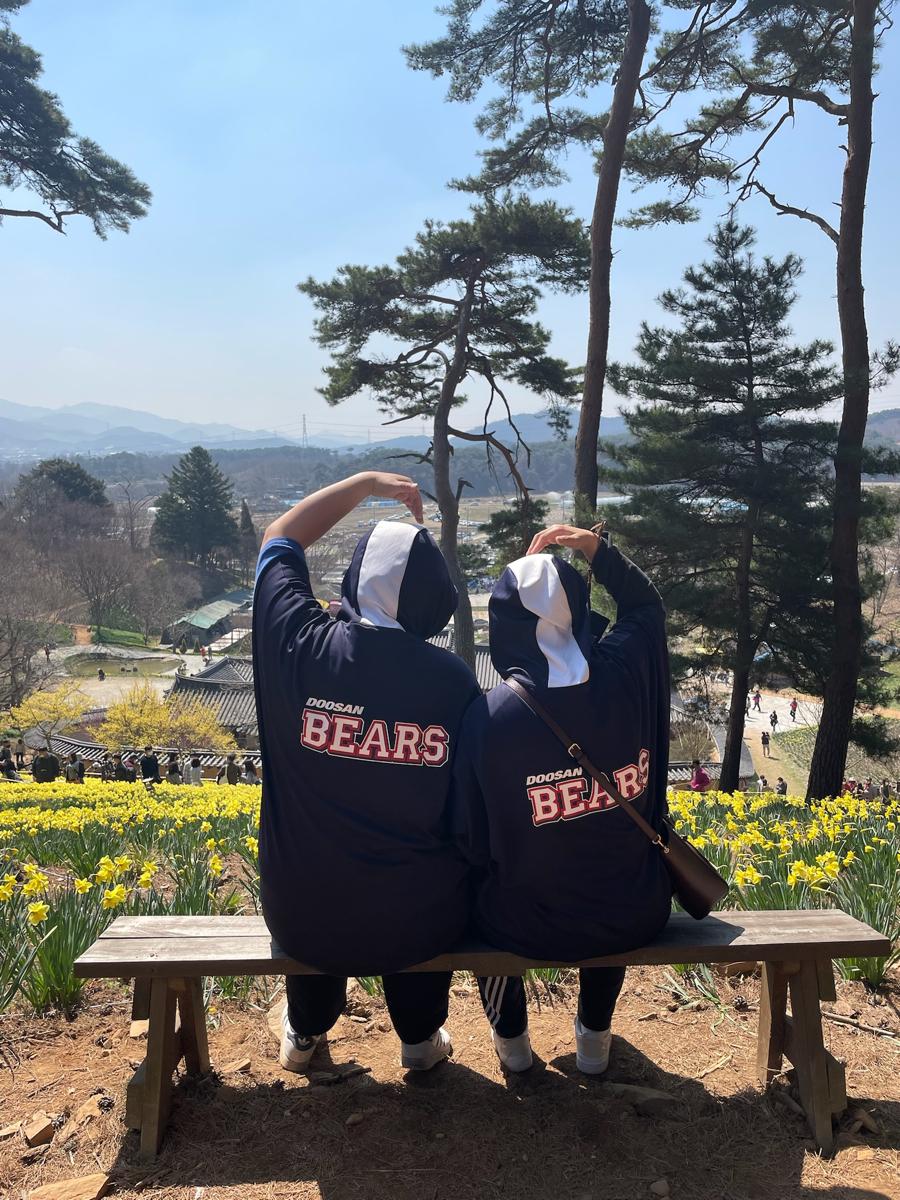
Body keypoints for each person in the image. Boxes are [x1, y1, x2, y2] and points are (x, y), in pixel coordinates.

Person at [253, 471, 480, 1075]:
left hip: (301, 913)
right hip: (418, 918)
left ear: (354, 579)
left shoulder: (298, 644)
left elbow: (279, 536)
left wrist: (366, 484)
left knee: (323, 880)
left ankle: (304, 1031)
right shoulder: (452, 681)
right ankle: (420, 1038)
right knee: (417, 887)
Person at [450, 523, 672, 1075]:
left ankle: (512, 1042)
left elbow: (471, 839)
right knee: (609, 873)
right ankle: (594, 1038)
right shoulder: (627, 672)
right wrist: (594, 548)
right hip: (631, 910)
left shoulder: (488, 718)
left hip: (524, 922)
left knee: (478, 891)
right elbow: (646, 606)